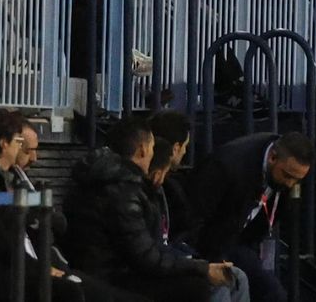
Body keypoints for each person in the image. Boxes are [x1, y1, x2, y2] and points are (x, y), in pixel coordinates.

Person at [63, 117, 234, 302]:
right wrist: (202, 268)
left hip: (99, 271)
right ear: (143, 150)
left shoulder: (99, 177)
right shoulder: (123, 190)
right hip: (111, 277)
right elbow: (146, 258)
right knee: (196, 287)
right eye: (152, 148)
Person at [184, 132, 315, 302]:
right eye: (288, 176)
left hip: (238, 242)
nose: (290, 184)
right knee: (225, 287)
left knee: (274, 294)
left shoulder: (284, 173)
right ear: (272, 158)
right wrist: (200, 262)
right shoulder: (228, 165)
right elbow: (193, 219)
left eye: (297, 180)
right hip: (206, 244)